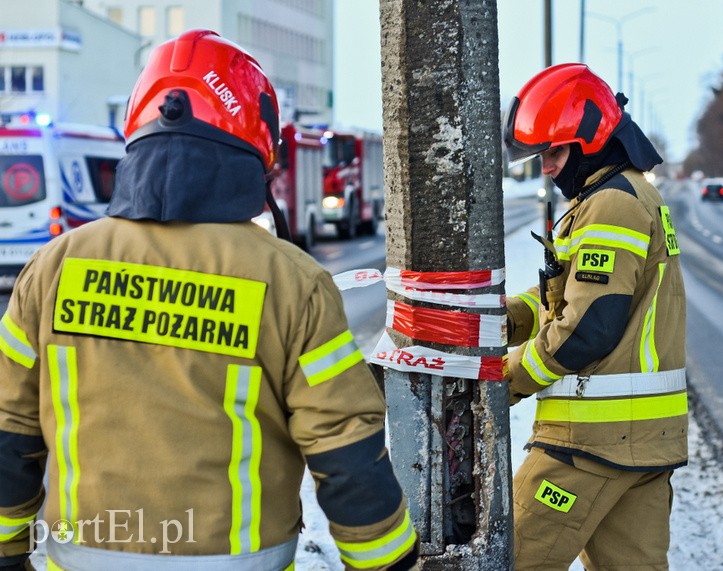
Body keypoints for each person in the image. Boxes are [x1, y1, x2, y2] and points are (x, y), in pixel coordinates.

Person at [0, 29, 417, 571]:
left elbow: (10, 431)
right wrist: (388, 560)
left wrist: (9, 553)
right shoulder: (291, 281)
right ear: (256, 144)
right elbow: (344, 446)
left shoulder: (51, 269)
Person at [502, 63, 688, 570]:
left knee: (510, 561)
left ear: (590, 141)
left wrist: (503, 382)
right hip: (641, 447)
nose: (546, 168)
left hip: (587, 446)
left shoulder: (610, 205)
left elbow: (587, 329)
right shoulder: (627, 196)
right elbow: (575, 297)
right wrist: (508, 317)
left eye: (554, 152)